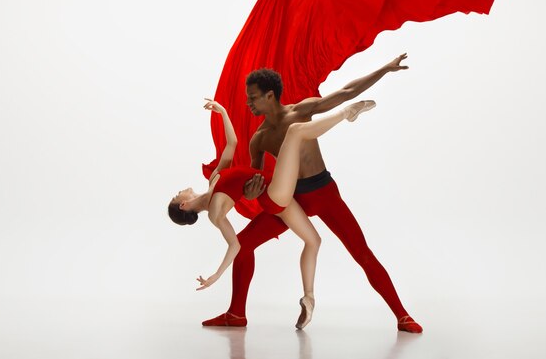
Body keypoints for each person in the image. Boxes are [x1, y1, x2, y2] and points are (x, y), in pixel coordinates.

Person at [202, 53, 423, 333]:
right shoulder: (259, 138)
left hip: (323, 193)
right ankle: (235, 314)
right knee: (243, 245)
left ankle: (402, 316)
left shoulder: (301, 110)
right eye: (248, 97)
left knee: (361, 253)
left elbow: (346, 92)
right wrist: (250, 190)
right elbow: (255, 178)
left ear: (270, 95)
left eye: (253, 97)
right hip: (291, 201)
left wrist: (385, 69)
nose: (248, 103)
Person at [168, 98, 377, 328]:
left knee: (314, 241)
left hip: (281, 202)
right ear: (183, 206)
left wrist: (222, 112)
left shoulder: (214, 179)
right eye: (176, 197)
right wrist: (216, 275)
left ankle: (308, 298)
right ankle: (346, 112)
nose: (177, 192)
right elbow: (235, 245)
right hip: (275, 195)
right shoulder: (215, 213)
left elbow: (232, 143)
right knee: (295, 133)